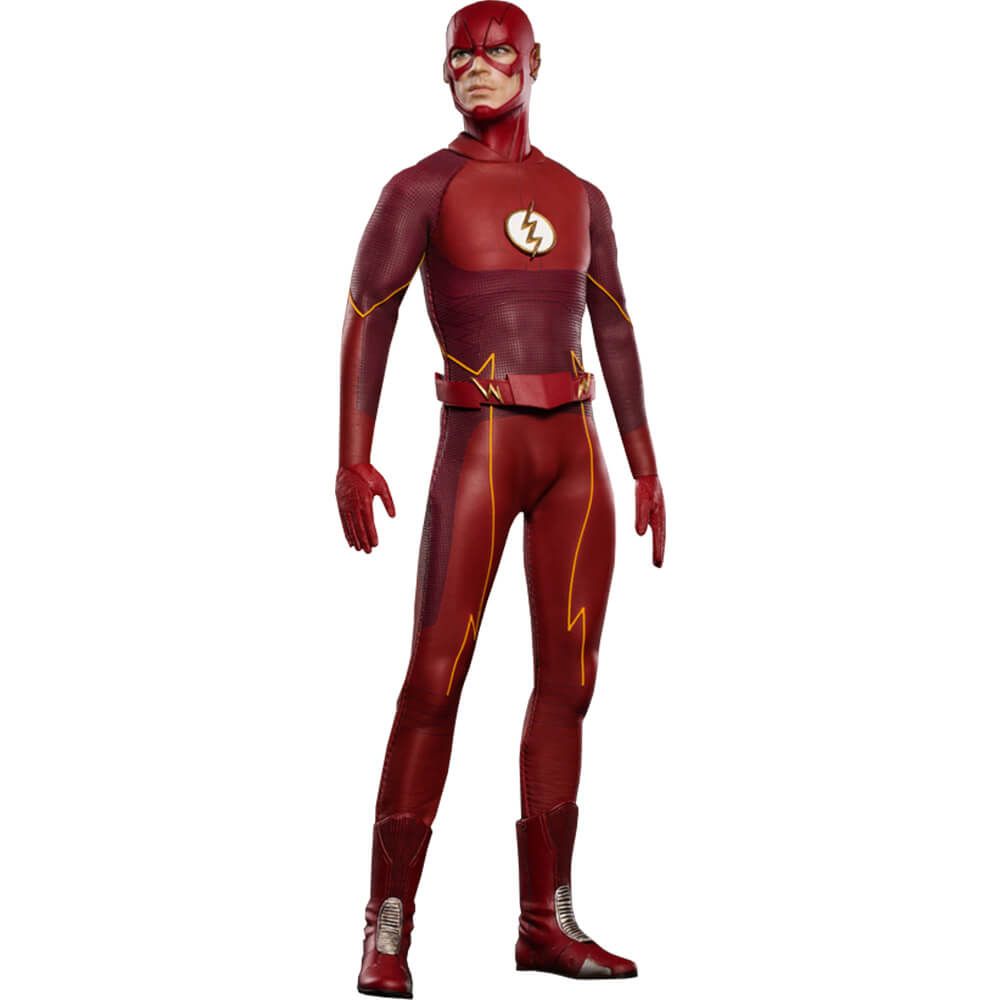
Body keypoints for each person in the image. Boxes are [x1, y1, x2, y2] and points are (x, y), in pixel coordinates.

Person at [336, 3, 666, 994]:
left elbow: (614, 328)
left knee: (570, 683)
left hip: (576, 455)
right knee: (434, 682)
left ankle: (545, 925)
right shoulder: (419, 189)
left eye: (495, 51)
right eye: (459, 55)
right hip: (476, 443)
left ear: (533, 61)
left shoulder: (581, 196)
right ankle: (386, 931)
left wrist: (645, 463)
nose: (476, 68)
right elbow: (368, 316)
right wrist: (352, 458)